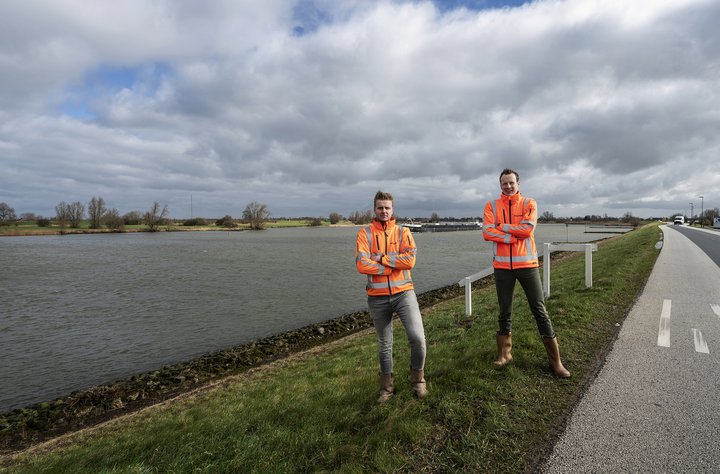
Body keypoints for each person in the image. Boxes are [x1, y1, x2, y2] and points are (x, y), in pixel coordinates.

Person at [482, 169, 571, 378]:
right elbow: (487, 232)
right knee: (504, 311)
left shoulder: (529, 203)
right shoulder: (491, 206)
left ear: (518, 183)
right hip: (502, 267)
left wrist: (502, 227)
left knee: (539, 310)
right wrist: (510, 238)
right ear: (500, 185)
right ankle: (505, 355)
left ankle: (555, 361)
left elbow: (528, 230)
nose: (508, 186)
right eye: (504, 183)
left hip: (527, 265)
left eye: (511, 183)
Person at [356, 191, 428, 402]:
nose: (384, 211)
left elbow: (410, 261)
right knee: (384, 344)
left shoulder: (403, 232)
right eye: (380, 207)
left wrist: (383, 259)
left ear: (392, 209)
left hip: (404, 294)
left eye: (387, 207)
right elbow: (362, 264)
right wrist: (390, 268)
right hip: (377, 297)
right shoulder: (365, 234)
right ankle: (386, 388)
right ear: (374, 209)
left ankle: (418, 381)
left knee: (418, 338)